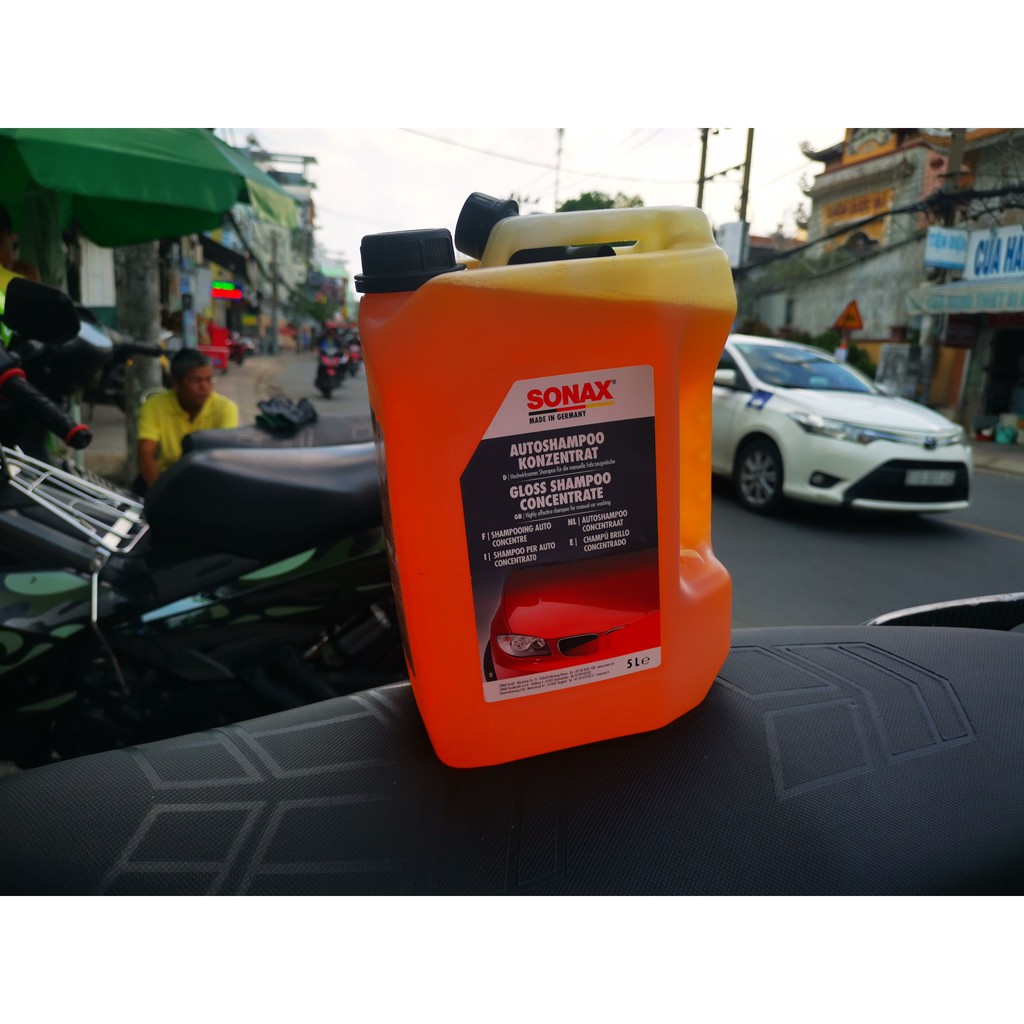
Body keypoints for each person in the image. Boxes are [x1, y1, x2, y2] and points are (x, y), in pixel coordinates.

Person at [136, 348, 239, 492]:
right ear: (176, 383)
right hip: (168, 477)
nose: (205, 387)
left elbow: (224, 458)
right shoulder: (154, 406)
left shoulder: (225, 408)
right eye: (197, 380)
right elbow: (146, 453)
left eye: (209, 379)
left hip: (209, 479)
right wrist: (159, 493)